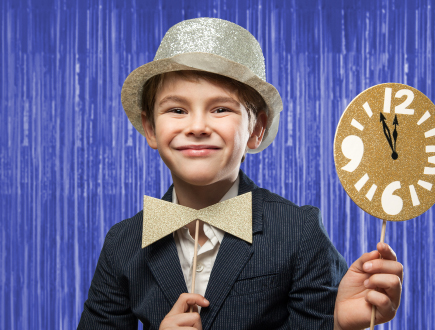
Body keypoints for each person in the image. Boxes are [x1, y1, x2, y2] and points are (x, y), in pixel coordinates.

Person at [78, 17, 403, 330]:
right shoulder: (122, 244)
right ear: (150, 128)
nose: (197, 127)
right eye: (177, 110)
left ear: (256, 129)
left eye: (221, 109)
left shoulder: (299, 232)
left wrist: (340, 325)